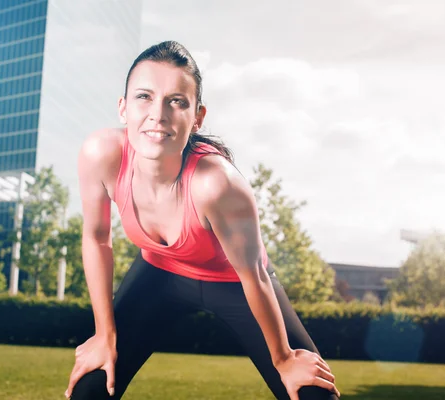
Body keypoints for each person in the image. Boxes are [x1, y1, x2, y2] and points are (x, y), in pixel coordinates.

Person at [65, 41, 340, 400]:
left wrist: (285, 359)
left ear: (197, 117)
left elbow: (253, 275)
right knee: (91, 388)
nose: (157, 114)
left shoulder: (216, 184)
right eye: (144, 97)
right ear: (123, 107)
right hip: (157, 274)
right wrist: (104, 336)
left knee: (313, 395)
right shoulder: (101, 154)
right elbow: (97, 238)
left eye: (176, 101)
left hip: (235, 283)